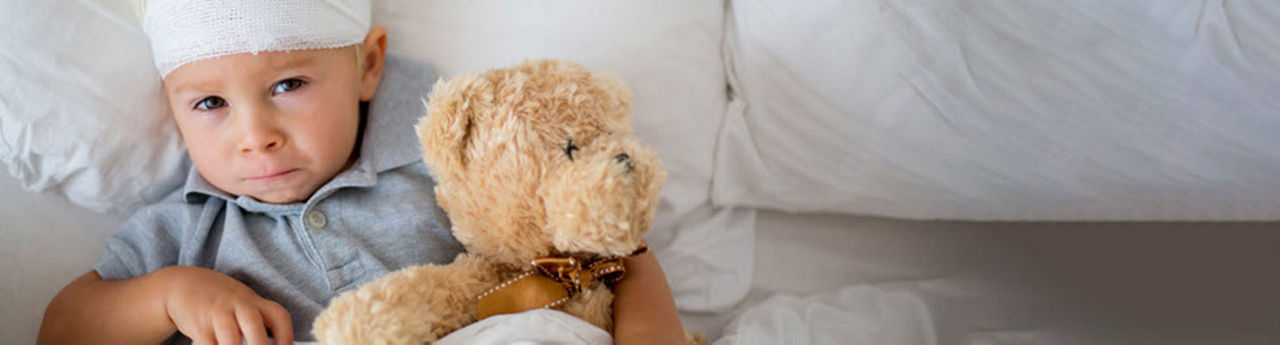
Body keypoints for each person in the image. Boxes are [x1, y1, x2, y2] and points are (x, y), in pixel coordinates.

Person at [37, 0, 685, 344]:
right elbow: (62, 331)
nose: (254, 134)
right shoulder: (185, 233)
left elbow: (606, 248)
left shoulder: (448, 168)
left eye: (288, 83)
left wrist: (651, 332)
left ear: (369, 65)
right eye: (210, 103)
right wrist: (167, 296)